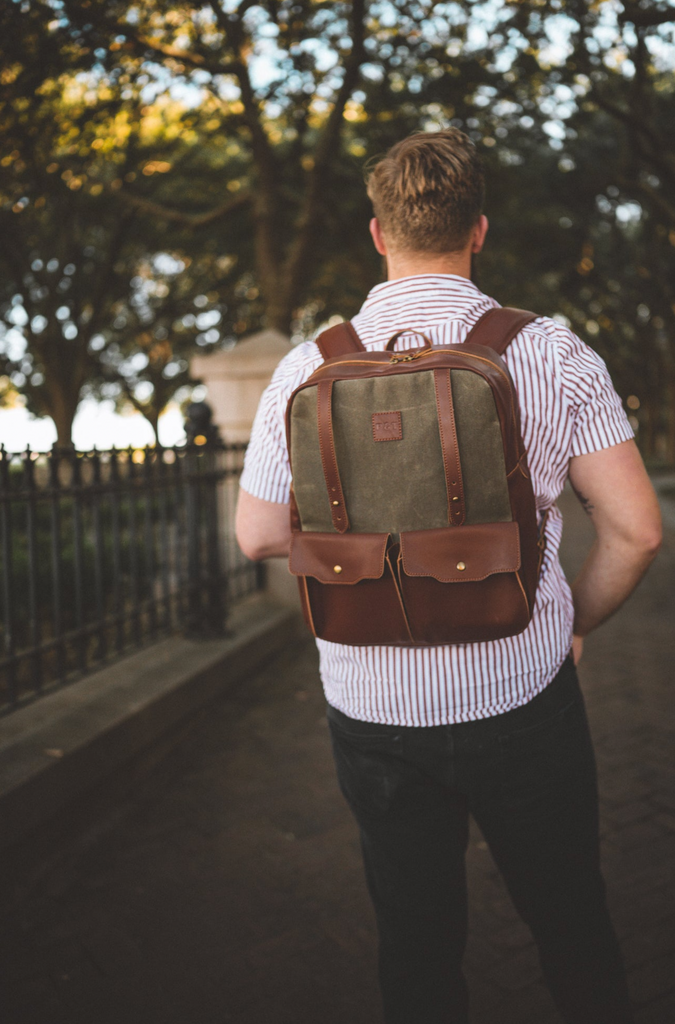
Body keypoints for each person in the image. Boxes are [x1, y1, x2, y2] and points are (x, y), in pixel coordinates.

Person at [235, 129, 662, 1024]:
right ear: (478, 230)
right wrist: (570, 625)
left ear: (377, 233)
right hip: (522, 695)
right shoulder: (549, 352)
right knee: (571, 925)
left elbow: (256, 536)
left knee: (416, 951)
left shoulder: (304, 367)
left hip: (373, 712)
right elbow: (636, 532)